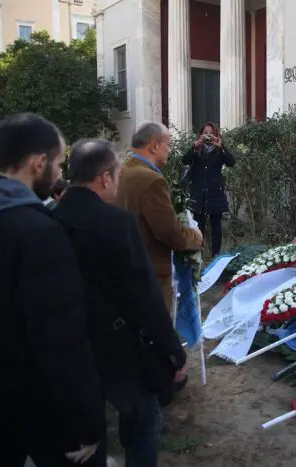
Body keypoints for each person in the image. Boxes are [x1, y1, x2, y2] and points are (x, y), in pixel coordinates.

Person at [0, 113, 106, 467]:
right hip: (41, 407)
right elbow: (62, 337)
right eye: (58, 163)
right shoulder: (40, 232)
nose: (60, 174)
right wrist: (89, 421)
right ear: (38, 162)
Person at [54, 139, 189, 467]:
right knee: (142, 425)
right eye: (115, 175)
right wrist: (174, 353)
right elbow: (144, 295)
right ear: (104, 177)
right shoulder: (115, 222)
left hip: (67, 345)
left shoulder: (49, 219)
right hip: (119, 347)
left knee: (87, 435)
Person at [116, 122, 203, 320]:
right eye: (168, 145)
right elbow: (169, 232)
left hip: (124, 269)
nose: (170, 150)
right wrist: (196, 237)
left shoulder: (121, 171)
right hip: (150, 276)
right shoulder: (151, 180)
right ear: (154, 146)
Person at [182, 122, 235, 257]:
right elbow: (184, 160)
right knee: (199, 225)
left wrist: (221, 146)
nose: (208, 135)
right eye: (205, 132)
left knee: (216, 225)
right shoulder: (197, 150)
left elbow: (231, 162)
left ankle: (215, 254)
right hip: (199, 193)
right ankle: (198, 255)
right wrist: (194, 146)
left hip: (214, 192)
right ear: (201, 134)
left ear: (215, 134)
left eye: (210, 132)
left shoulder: (218, 150)